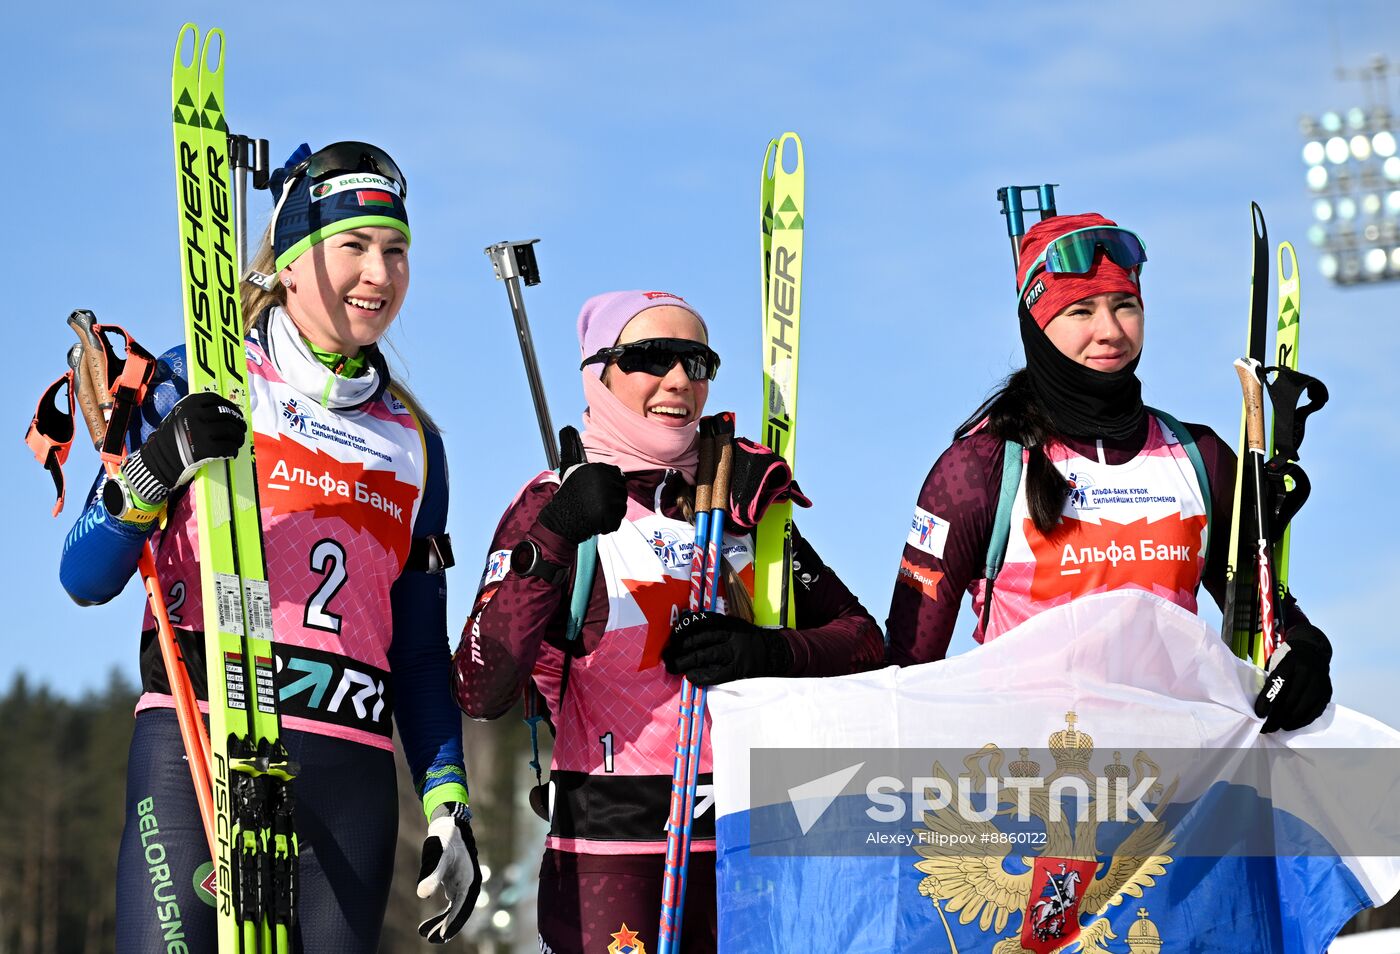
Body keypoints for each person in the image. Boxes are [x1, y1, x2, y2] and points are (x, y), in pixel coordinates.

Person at [59, 141, 480, 951]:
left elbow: (421, 653)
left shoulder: (415, 442)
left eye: (396, 251)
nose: (380, 274)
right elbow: (83, 574)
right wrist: (155, 468)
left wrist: (448, 802)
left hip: (348, 775)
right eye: (352, 247)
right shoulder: (198, 380)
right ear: (289, 263)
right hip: (198, 743)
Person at [453, 290, 884, 953]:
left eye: (697, 361)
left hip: (754, 840)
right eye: (651, 358)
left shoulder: (746, 504)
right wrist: (557, 537)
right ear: (598, 373)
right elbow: (481, 684)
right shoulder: (553, 501)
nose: (680, 380)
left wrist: (766, 652)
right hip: (611, 850)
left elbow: (864, 644)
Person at [886, 212, 1332, 733]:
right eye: (1080, 310)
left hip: (1172, 788)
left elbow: (1262, 606)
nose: (1111, 331)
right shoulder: (979, 469)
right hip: (1029, 787)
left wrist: (1306, 650)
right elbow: (906, 670)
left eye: (1126, 306)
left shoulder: (1198, 456)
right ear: (1038, 324)